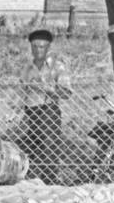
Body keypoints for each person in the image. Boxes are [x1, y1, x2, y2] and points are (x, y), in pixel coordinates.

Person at [16, 29, 72, 183]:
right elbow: (21, 92)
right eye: (34, 47)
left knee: (50, 149)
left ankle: (51, 182)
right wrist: (16, 112)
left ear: (48, 48)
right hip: (31, 112)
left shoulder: (57, 67)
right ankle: (30, 181)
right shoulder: (27, 68)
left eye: (41, 47)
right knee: (30, 148)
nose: (37, 50)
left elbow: (67, 93)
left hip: (48, 112)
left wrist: (47, 89)